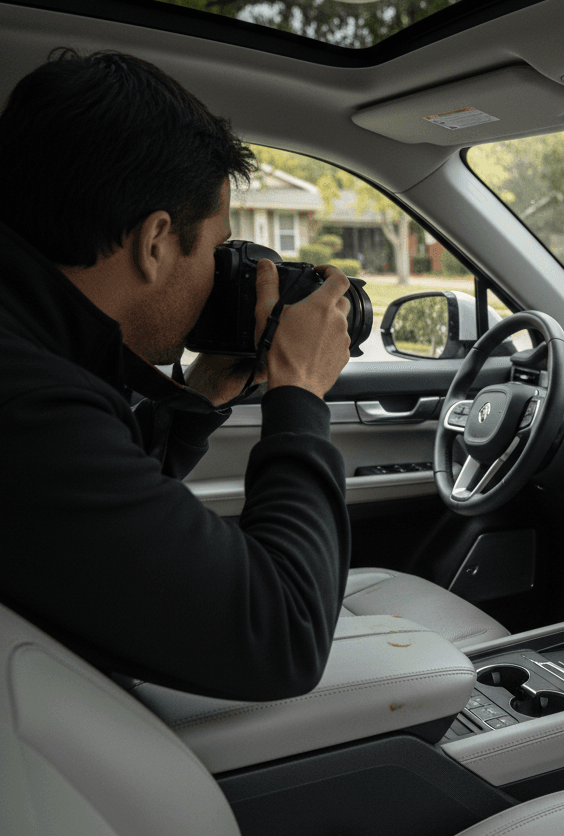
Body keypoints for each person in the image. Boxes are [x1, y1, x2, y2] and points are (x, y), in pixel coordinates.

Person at [0, 49, 353, 700]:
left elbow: (102, 531)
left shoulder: (35, 358)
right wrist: (298, 392)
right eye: (217, 249)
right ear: (156, 240)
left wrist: (201, 395)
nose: (221, 274)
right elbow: (286, 633)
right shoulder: (28, 405)